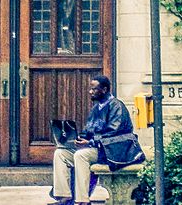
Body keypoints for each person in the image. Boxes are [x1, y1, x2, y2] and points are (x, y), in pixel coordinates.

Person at [50, 75, 140, 205]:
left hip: (112, 152)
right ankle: (64, 197)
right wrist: (78, 138)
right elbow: (88, 131)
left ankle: (82, 201)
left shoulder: (117, 106)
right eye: (90, 89)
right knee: (60, 153)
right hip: (96, 149)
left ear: (104, 90)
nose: (90, 91)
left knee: (81, 155)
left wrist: (91, 142)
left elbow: (113, 133)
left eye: (94, 89)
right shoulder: (96, 108)